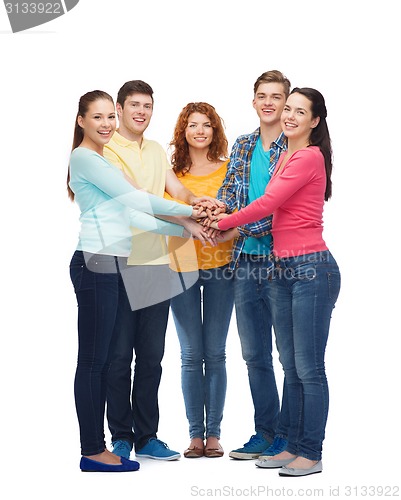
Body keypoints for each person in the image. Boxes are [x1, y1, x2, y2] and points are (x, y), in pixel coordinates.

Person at [68, 90, 204, 472]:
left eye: (109, 116)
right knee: (97, 362)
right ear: (81, 121)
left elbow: (138, 215)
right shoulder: (87, 157)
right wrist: (191, 211)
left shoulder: (100, 158)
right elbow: (139, 199)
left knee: (125, 359)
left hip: (113, 262)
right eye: (98, 117)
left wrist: (188, 229)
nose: (107, 124)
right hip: (97, 263)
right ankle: (95, 449)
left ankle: (115, 444)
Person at [208, 87, 341, 476]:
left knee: (309, 368)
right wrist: (222, 212)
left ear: (314, 121)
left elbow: (266, 204)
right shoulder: (285, 155)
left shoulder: (309, 157)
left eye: (301, 111)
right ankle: (289, 444)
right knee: (293, 367)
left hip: (311, 270)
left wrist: (222, 224)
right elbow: (260, 205)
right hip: (282, 270)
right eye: (290, 110)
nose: (291, 116)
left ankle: (310, 452)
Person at [103, 81, 221, 461]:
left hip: (158, 264)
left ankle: (147, 436)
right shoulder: (104, 149)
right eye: (134, 105)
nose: (141, 111)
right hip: (121, 262)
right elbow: (138, 200)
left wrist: (194, 200)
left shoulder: (155, 150)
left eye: (148, 105)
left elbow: (175, 189)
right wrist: (187, 220)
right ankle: (121, 435)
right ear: (119, 108)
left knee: (151, 357)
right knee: (120, 356)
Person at [215, 70, 291, 460]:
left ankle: (288, 437)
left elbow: (277, 209)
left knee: (289, 356)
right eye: (262, 95)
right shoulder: (244, 144)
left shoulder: (294, 149)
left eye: (276, 96)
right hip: (245, 262)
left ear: (287, 103)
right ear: (253, 101)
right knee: (255, 355)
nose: (268, 103)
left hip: (283, 262)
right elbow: (229, 188)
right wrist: (217, 210)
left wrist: (230, 226)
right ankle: (266, 432)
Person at [167, 102, 236, 458]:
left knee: (217, 353)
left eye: (206, 125)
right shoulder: (172, 174)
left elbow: (239, 214)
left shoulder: (228, 170)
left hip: (222, 267)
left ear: (214, 131)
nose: (199, 130)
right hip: (181, 267)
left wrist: (219, 218)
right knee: (191, 355)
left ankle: (215, 436)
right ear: (184, 131)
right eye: (192, 125)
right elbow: (164, 213)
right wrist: (190, 218)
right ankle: (195, 435)